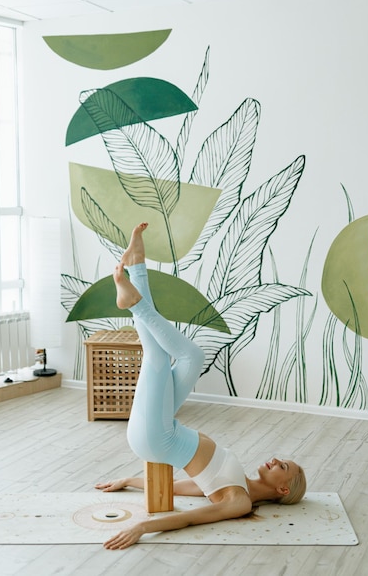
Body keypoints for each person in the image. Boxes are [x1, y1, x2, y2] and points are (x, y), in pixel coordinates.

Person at [95, 223, 306, 550]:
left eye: (283, 467)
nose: (276, 460)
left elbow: (191, 518)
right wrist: (127, 481)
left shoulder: (240, 501)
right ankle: (137, 267)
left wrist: (142, 528)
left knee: (167, 357)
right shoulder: (241, 484)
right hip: (164, 431)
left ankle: (135, 299)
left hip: (157, 436)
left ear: (282, 489)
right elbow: (181, 487)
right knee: (188, 357)